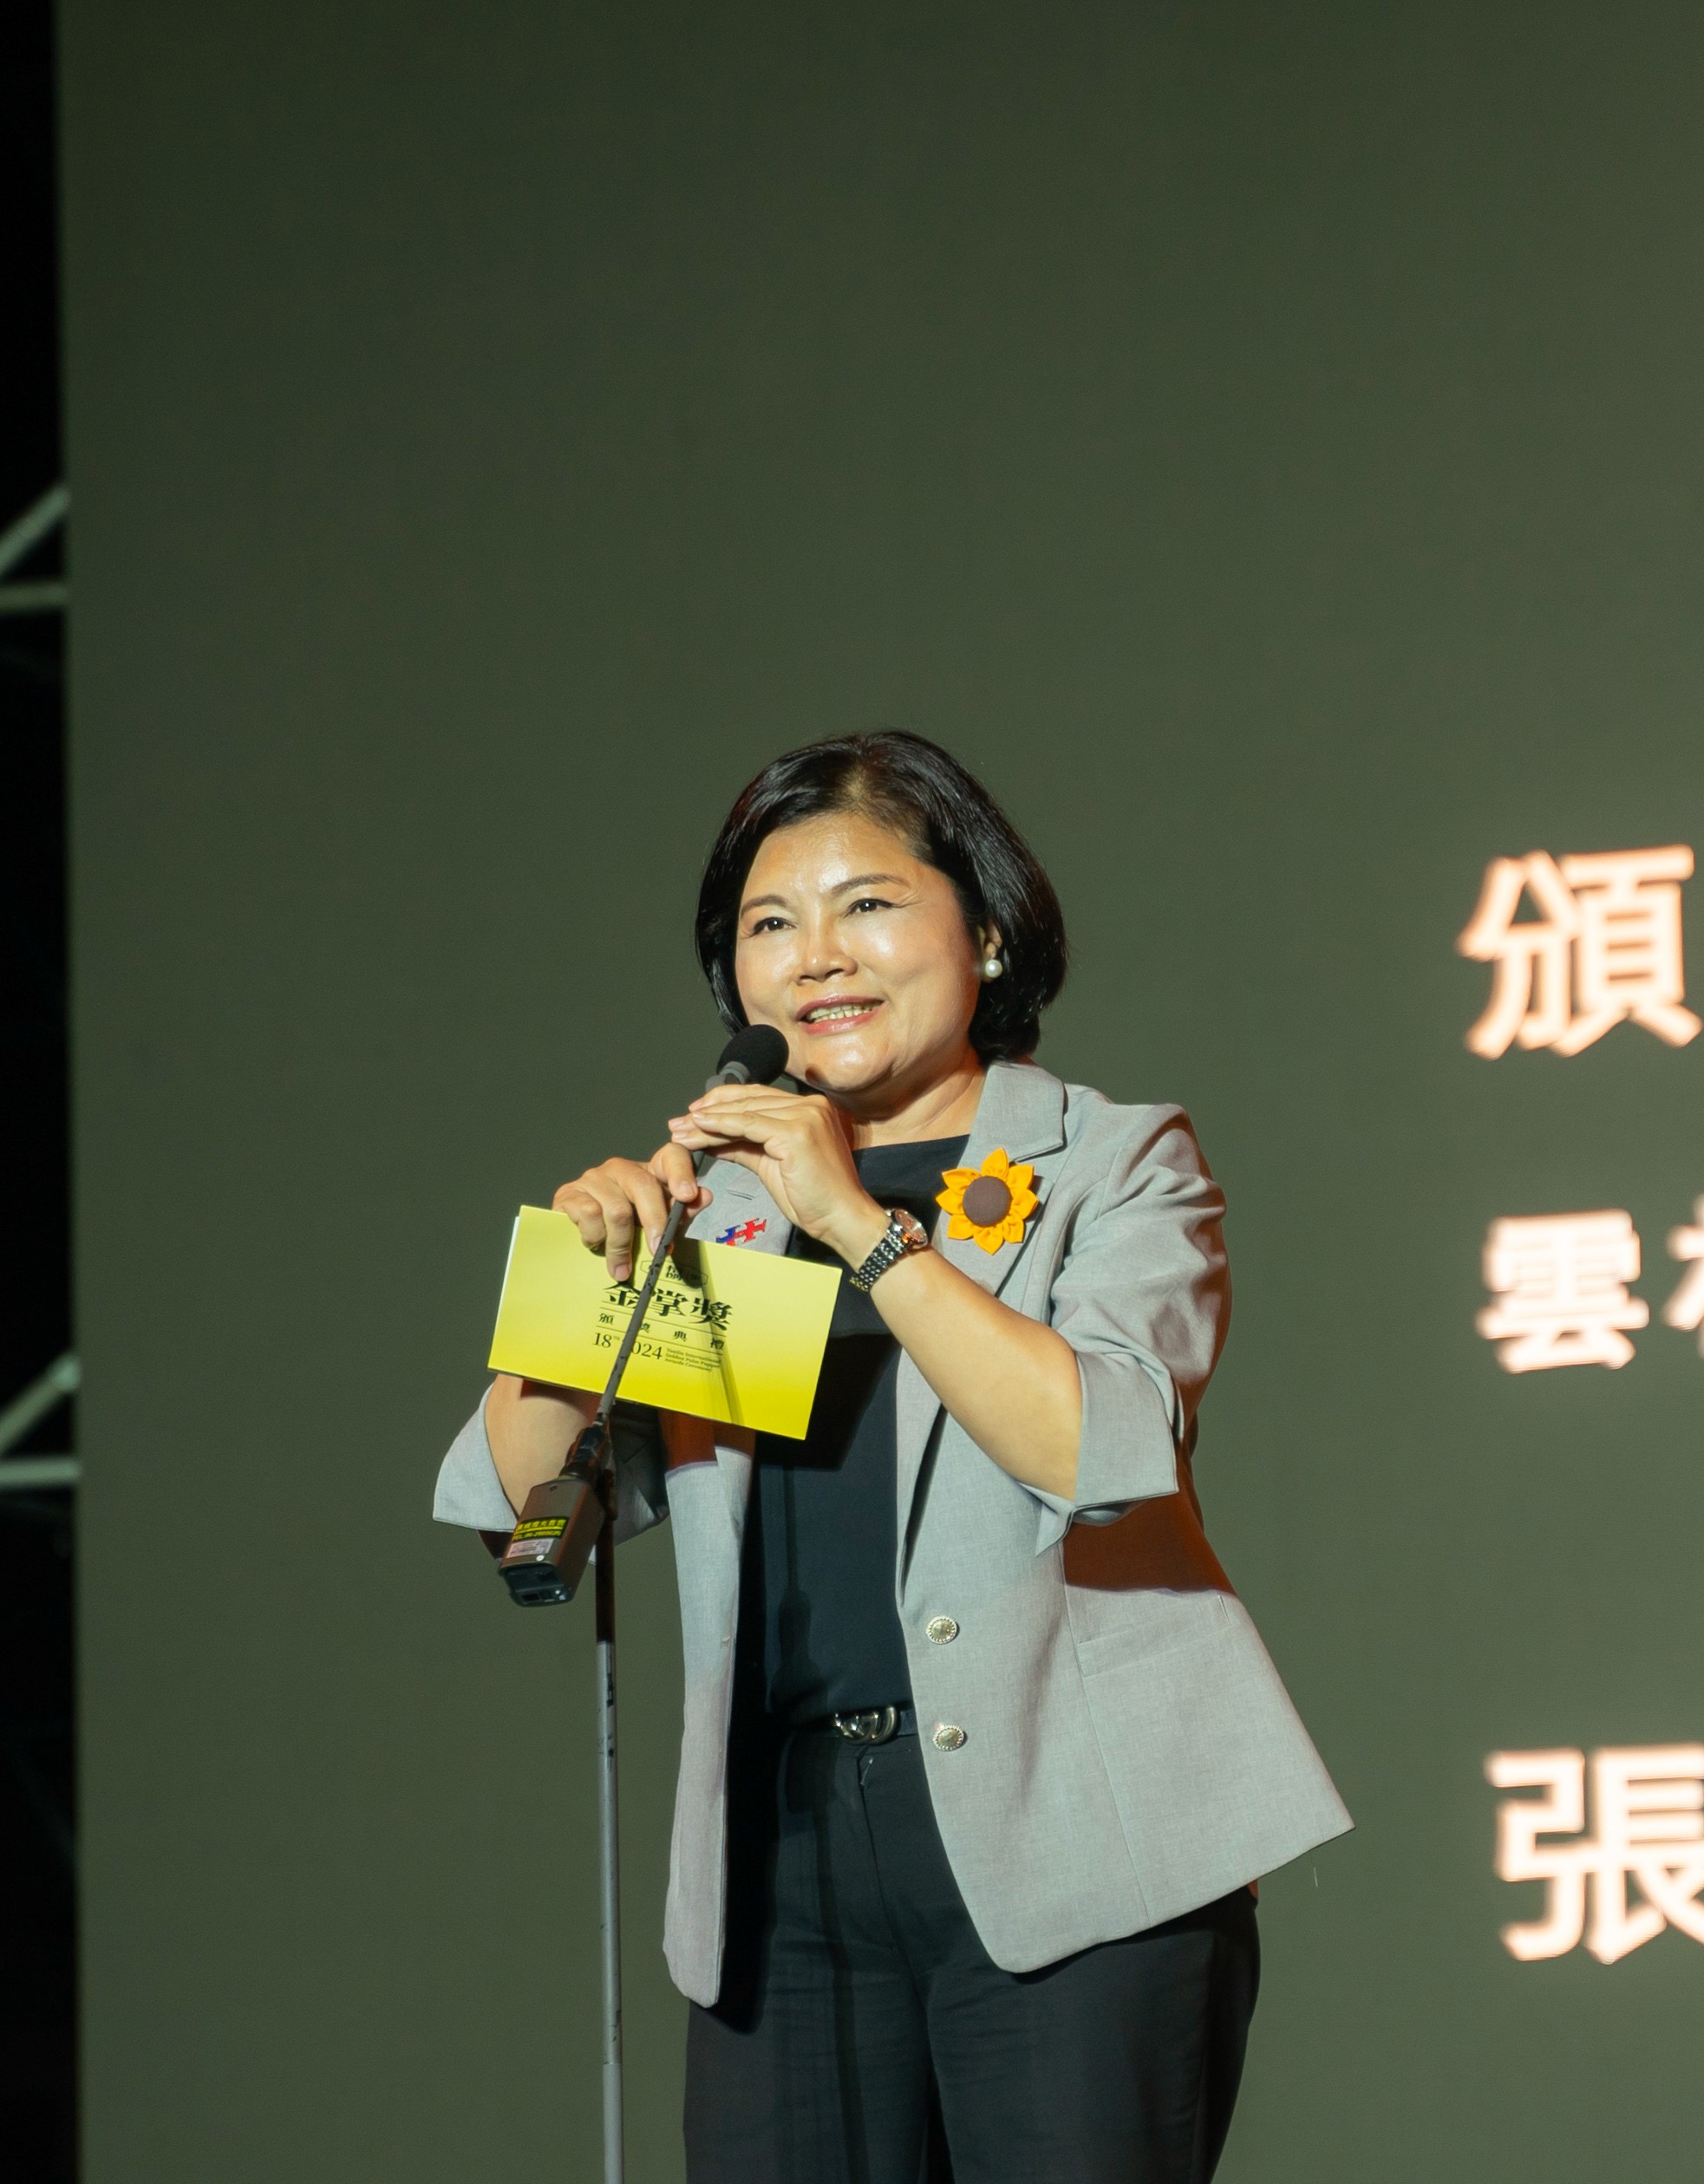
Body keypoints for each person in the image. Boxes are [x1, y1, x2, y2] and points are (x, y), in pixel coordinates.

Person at [431, 731, 1348, 2182]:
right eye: (770, 926)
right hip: (779, 1856)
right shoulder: (719, 1216)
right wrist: (581, 1299)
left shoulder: (1107, 1162)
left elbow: (1098, 1446)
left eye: (866, 905)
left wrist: (859, 1223)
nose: (818, 958)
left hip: (1074, 1837)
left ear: (985, 933)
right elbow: (522, 1513)